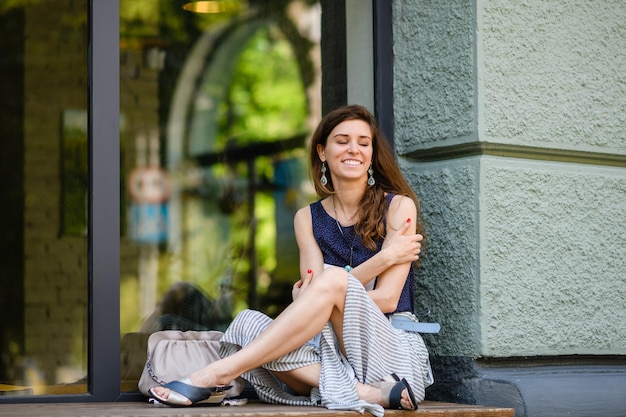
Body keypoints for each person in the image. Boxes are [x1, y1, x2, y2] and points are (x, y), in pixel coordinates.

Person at [150, 105, 433, 416]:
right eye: (342, 141)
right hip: (330, 357)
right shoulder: (307, 219)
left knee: (331, 281)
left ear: (371, 154)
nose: (354, 149)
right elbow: (313, 294)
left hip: (390, 357)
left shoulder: (398, 207)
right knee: (246, 322)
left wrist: (327, 293)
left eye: (363, 143)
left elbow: (388, 299)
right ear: (322, 152)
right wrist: (384, 258)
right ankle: (363, 393)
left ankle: (217, 373)